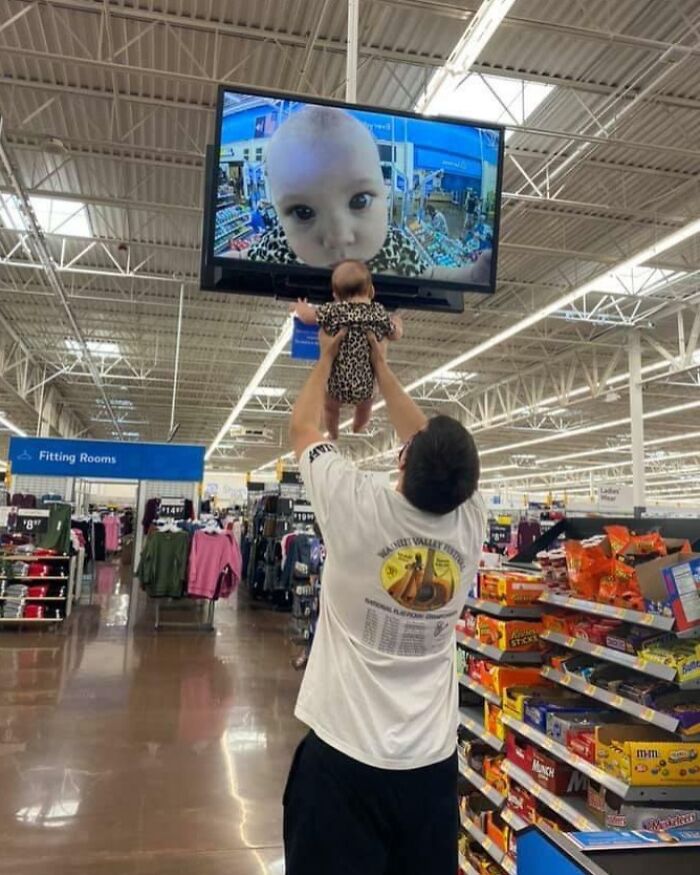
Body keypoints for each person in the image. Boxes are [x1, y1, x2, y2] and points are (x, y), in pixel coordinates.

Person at [284, 327, 487, 875]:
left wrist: (331, 357)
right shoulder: (472, 522)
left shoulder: (356, 505)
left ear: (403, 460)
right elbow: (429, 445)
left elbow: (304, 427)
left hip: (341, 763)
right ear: (471, 484)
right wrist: (382, 369)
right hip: (430, 767)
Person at [225, 104, 491, 285]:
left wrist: (472, 274)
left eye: (359, 201)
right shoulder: (279, 244)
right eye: (303, 212)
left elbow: (430, 273)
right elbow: (243, 258)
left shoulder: (393, 245)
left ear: (385, 193)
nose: (339, 236)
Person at [293, 260, 403, 439]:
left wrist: (301, 307)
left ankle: (333, 431)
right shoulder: (378, 313)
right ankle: (358, 426)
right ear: (371, 290)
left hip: (336, 385)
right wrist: (397, 321)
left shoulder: (332, 311)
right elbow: (395, 334)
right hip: (365, 386)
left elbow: (307, 317)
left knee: (330, 408)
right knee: (365, 407)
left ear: (335, 295)